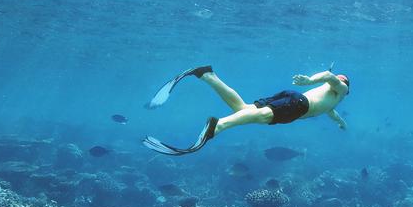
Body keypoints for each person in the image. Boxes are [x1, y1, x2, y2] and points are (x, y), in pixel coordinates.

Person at [142, 65, 349, 156]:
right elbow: (330, 77)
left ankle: (207, 75)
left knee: (243, 108)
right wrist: (310, 80)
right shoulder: (341, 88)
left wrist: (341, 123)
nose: (339, 81)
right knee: (262, 117)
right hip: (299, 104)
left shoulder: (333, 103)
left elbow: (332, 113)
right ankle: (218, 125)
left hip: (294, 98)